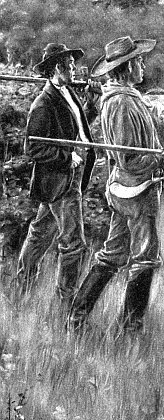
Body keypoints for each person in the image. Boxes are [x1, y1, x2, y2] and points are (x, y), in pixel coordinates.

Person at [68, 36, 164, 341]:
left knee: (112, 255)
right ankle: (130, 329)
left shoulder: (120, 97)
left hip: (125, 189)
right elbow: (129, 158)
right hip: (137, 190)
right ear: (126, 68)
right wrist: (160, 160)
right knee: (145, 257)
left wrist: (159, 153)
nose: (143, 65)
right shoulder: (123, 102)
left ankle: (76, 318)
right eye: (138, 61)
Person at [16, 43, 100, 305]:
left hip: (69, 177)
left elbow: (74, 129)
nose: (74, 69)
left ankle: (21, 289)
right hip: (61, 179)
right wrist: (67, 157)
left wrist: (91, 105)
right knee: (74, 243)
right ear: (56, 68)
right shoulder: (43, 104)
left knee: (40, 234)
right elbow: (33, 147)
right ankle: (67, 303)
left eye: (73, 65)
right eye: (70, 65)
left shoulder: (67, 93)